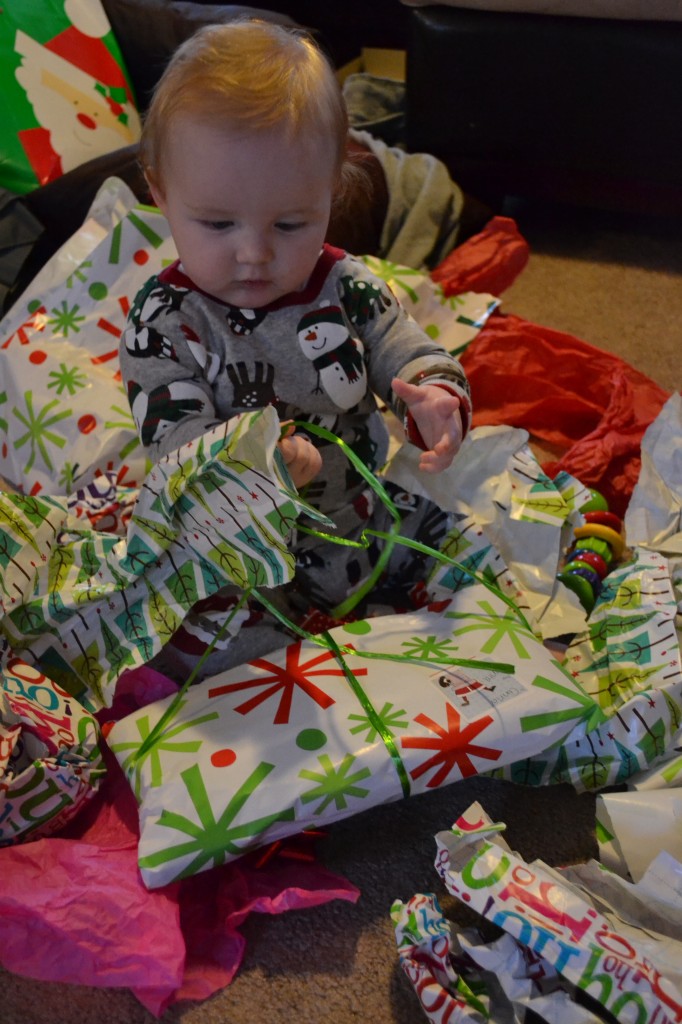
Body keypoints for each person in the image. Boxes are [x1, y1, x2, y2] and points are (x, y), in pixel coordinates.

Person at [119, 19, 473, 681]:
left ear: (332, 193)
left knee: (466, 548)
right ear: (160, 192)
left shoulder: (348, 286)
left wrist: (436, 392)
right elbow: (175, 440)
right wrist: (254, 463)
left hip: (357, 514)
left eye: (290, 223)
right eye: (217, 223)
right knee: (209, 644)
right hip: (239, 545)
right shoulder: (163, 321)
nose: (253, 253)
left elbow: (405, 346)